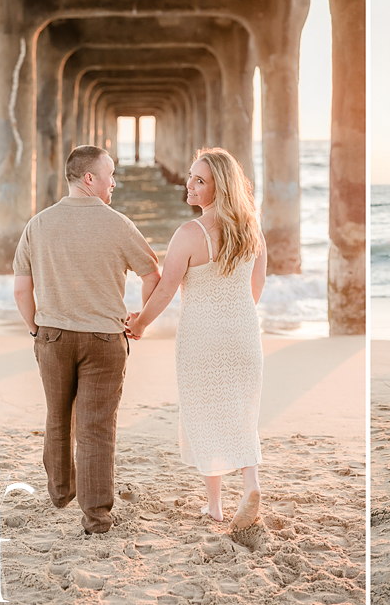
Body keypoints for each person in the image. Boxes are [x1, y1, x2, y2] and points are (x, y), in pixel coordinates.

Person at [13, 145, 161, 534]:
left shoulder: (38, 224)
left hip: (53, 336)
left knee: (58, 415)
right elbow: (153, 274)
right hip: (104, 339)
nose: (114, 182)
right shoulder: (118, 224)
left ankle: (61, 492)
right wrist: (140, 318)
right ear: (90, 178)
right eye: (110, 175)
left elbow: (21, 288)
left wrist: (35, 329)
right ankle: (96, 517)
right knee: (96, 428)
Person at [126, 147, 267, 531]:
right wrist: (235, 317)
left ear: (219, 187)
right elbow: (256, 286)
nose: (189, 185)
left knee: (204, 415)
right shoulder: (252, 230)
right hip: (244, 334)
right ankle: (251, 485)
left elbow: (166, 289)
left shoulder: (190, 234)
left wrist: (140, 324)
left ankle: (215, 506)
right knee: (242, 413)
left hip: (201, 338)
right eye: (190, 176)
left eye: (199, 180)